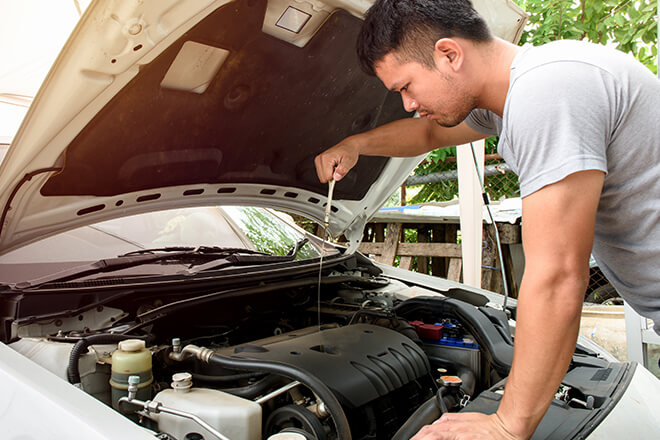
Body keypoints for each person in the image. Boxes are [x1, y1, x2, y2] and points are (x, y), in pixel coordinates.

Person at [314, 0, 660, 438]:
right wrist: (355, 144)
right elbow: (428, 133)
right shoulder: (523, 90)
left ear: (449, 54)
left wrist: (506, 424)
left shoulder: (548, 92)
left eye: (407, 86)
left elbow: (556, 276)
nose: (408, 104)